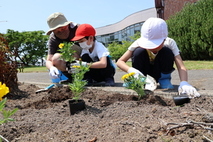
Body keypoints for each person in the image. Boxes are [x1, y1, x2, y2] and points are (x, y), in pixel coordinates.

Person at [116, 17, 200, 98]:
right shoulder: (138, 43)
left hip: (160, 72)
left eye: (156, 44)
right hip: (143, 73)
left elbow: (181, 66)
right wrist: (132, 71)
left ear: (164, 39)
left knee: (167, 51)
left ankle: (164, 79)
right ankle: (142, 81)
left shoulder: (170, 42)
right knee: (138, 52)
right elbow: (120, 62)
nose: (152, 47)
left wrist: (184, 82)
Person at [45, 12, 82, 83]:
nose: (60, 31)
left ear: (68, 25)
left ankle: (87, 76)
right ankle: (71, 78)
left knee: (72, 49)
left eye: (62, 28)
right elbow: (49, 60)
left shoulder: (78, 29)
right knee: (56, 58)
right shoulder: (53, 38)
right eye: (57, 30)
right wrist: (52, 68)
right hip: (68, 62)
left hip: (85, 58)